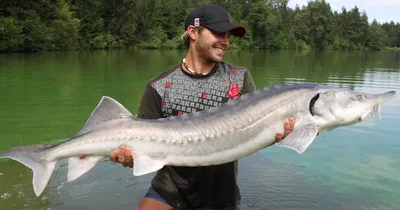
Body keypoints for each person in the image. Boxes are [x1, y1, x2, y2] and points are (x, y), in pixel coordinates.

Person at [109, 4, 296, 210]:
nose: (225, 42)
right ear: (193, 32)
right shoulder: (158, 87)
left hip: (221, 193)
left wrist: (280, 134)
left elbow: (252, 133)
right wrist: (128, 158)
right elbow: (143, 146)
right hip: (170, 188)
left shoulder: (239, 78)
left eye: (228, 36)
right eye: (218, 33)